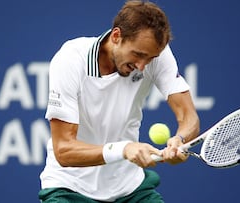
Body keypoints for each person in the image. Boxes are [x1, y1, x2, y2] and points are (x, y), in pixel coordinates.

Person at [38, 0, 200, 202]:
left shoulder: (155, 54)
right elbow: (64, 150)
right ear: (116, 36)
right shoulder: (71, 59)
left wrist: (181, 141)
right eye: (138, 55)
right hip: (70, 189)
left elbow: (188, 116)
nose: (142, 66)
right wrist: (123, 149)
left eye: (150, 59)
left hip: (130, 189)